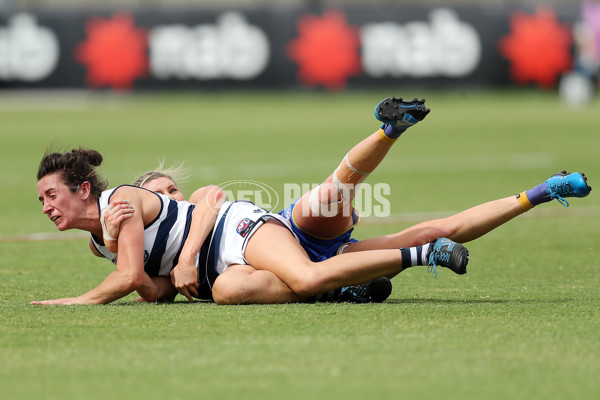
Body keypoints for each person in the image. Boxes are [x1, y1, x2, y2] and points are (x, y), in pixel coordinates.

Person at [97, 96, 592, 305]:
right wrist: (118, 240)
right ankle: (543, 192)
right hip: (262, 267)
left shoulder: (194, 210)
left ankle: (391, 128)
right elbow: (153, 288)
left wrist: (182, 252)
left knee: (332, 193)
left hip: (281, 232)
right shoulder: (150, 243)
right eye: (160, 193)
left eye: (168, 191)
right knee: (429, 232)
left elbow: (207, 199)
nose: (168, 198)